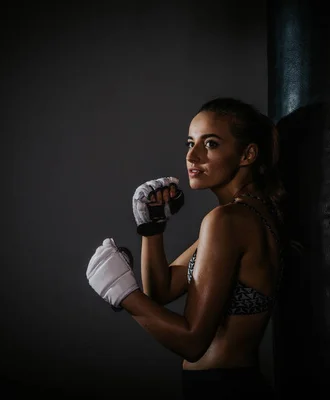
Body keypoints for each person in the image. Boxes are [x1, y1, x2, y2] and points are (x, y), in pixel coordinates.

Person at [86, 97, 288, 399]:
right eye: (190, 142)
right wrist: (152, 229)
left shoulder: (226, 220)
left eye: (211, 144)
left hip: (223, 390)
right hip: (237, 384)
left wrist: (124, 295)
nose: (192, 156)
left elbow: (192, 343)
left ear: (247, 154)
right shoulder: (252, 214)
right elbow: (162, 291)